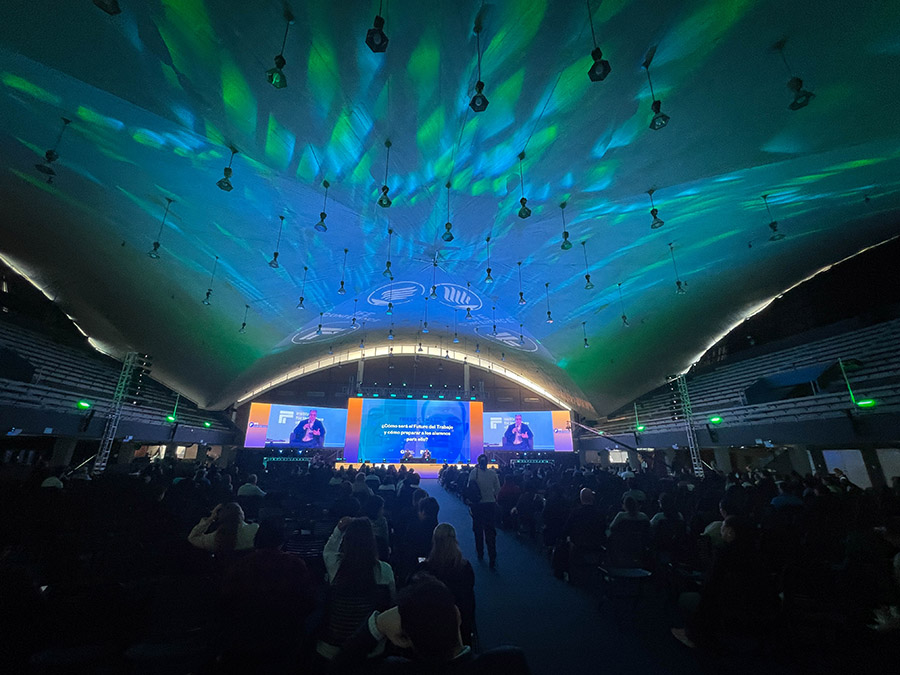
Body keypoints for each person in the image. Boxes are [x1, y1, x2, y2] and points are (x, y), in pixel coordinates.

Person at [336, 576, 530, 673]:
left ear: (404, 638)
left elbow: (339, 667)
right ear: (457, 614)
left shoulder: (393, 669)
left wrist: (378, 624)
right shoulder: (509, 662)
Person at [319, 517, 396, 660]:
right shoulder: (384, 570)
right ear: (372, 542)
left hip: (332, 647)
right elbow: (392, 603)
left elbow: (328, 550)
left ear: (346, 541)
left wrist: (339, 528)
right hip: (370, 648)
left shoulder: (335, 566)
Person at [417, 523, 476, 645]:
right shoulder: (464, 567)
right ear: (455, 540)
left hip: (433, 623)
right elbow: (469, 597)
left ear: (434, 541)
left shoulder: (425, 568)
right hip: (460, 621)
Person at [467, 454, 500, 569]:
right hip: (490, 505)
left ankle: (480, 553)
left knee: (478, 530)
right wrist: (491, 495)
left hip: (477, 505)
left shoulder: (473, 472)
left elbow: (469, 488)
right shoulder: (492, 473)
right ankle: (492, 557)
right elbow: (498, 489)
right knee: (490, 531)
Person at [188, 502, 259, 553]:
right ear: (242, 514)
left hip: (222, 572)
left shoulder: (214, 539)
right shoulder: (255, 530)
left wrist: (210, 518)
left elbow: (192, 537)